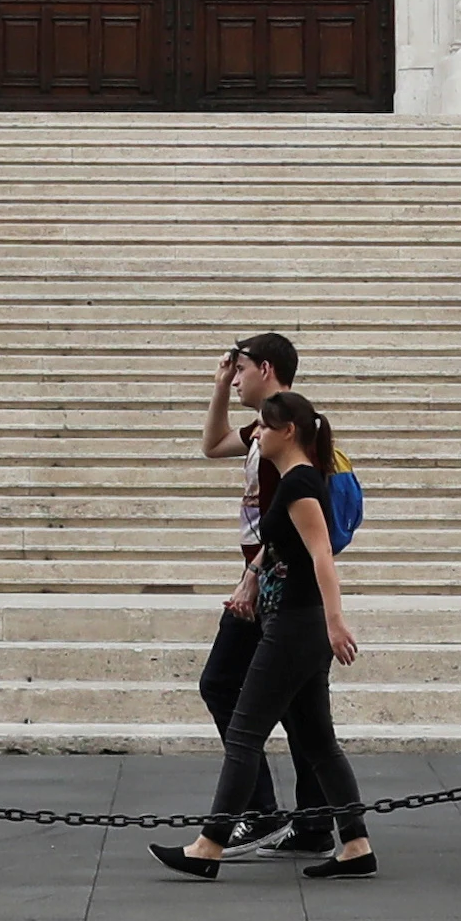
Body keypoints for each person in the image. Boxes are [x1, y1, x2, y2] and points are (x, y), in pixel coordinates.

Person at [157, 392, 369, 881]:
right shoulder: (295, 482)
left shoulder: (299, 484)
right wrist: (251, 579)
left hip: (296, 623)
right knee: (317, 740)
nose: (258, 433)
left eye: (265, 427)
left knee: (245, 732)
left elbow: (322, 558)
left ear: (288, 431)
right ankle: (356, 844)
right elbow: (285, 548)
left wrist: (335, 623)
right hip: (295, 621)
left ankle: (208, 845)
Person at [197, 333, 341, 855]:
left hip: (277, 589)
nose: (234, 378)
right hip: (276, 588)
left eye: (238, 370)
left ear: (266, 368)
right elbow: (212, 445)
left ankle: (261, 814)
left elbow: (292, 535)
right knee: (304, 710)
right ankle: (319, 824)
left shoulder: (285, 442)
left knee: (221, 684)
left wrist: (252, 580)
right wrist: (216, 390)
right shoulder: (265, 433)